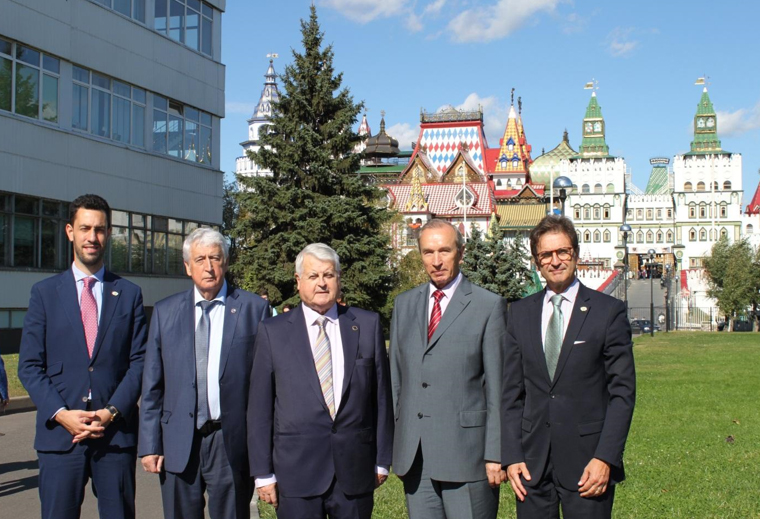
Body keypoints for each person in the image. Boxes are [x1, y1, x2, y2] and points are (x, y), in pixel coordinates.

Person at [18, 194, 148, 519]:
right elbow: (30, 366)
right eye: (85, 228)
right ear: (70, 232)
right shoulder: (44, 294)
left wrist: (110, 412)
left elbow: (139, 363)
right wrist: (61, 414)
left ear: (109, 233)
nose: (92, 237)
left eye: (100, 229)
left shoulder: (129, 294)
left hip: (114, 436)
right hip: (60, 437)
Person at [501, 215, 636, 519]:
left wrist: (606, 458)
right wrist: (511, 455)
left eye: (563, 251)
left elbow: (622, 394)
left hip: (588, 465)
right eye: (546, 254)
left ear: (575, 253)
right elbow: (511, 393)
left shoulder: (607, 312)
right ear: (537, 262)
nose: (555, 261)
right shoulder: (520, 314)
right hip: (531, 466)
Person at [248, 243, 393, 519]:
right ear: (298, 281)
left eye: (328, 275)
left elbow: (381, 398)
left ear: (339, 279)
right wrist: (263, 473)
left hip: (354, 472)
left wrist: (382, 460)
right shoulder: (272, 332)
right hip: (296, 474)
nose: (322, 283)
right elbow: (259, 408)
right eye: (313, 276)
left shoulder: (367, 325)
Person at [139, 228, 269, 519]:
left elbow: (264, 386)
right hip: (178, 440)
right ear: (188, 266)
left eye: (215, 258)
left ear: (225, 262)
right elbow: (152, 386)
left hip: (230, 440)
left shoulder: (254, 309)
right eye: (200, 259)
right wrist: (149, 444)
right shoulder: (165, 312)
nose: (208, 267)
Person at [390, 219, 507, 519]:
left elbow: (497, 388)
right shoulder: (404, 305)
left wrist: (495, 453)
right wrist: (399, 440)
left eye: (444, 250)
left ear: (461, 253)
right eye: (428, 252)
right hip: (416, 458)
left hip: (468, 456)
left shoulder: (488, 306)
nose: (436, 261)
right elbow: (397, 380)